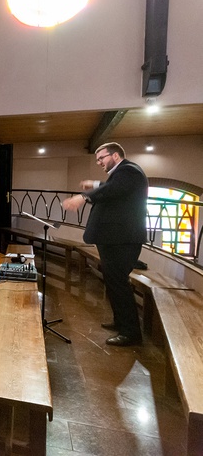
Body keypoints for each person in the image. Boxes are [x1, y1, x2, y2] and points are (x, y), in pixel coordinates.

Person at [62, 142, 148, 347]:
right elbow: (113, 187)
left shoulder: (130, 170)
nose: (99, 162)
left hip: (122, 239)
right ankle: (121, 322)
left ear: (116, 155)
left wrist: (83, 197)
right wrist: (95, 184)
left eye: (102, 158)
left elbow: (114, 189)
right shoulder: (123, 173)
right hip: (115, 238)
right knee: (113, 281)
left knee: (118, 282)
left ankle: (131, 332)